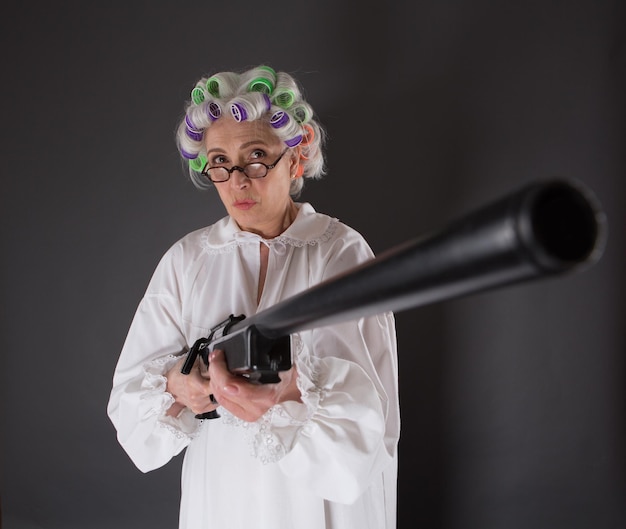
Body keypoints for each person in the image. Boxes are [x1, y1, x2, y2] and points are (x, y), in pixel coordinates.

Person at [107, 65, 400, 529]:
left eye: (256, 155)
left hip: (312, 500)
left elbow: (367, 418)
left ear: (296, 158)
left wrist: (287, 397)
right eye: (220, 161)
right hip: (221, 496)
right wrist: (181, 385)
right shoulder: (188, 260)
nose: (238, 180)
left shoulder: (340, 252)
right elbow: (128, 406)